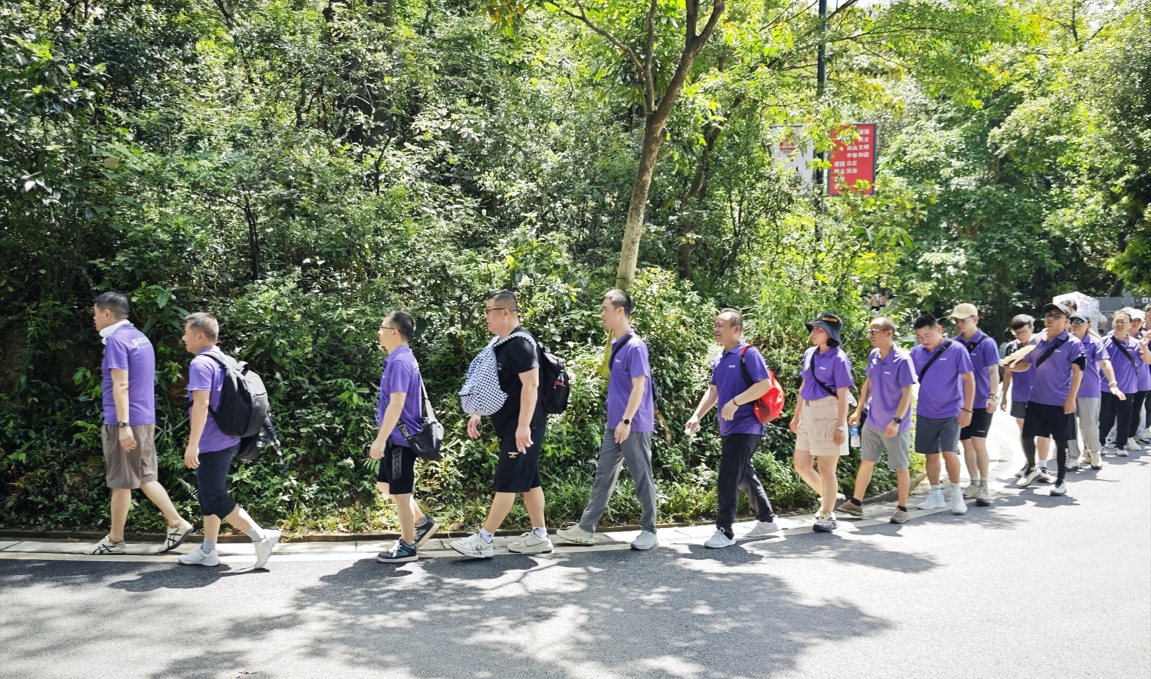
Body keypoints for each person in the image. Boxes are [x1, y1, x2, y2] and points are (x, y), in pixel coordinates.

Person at [87, 292, 193, 555]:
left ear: (107, 313)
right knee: (144, 477)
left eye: (95, 314)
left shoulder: (116, 341)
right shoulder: (139, 338)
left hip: (125, 421)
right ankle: (172, 524)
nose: (94, 319)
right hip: (143, 418)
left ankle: (117, 540)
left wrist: (123, 426)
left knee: (121, 481)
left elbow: (121, 385)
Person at [451, 291, 553, 558]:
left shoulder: (521, 344)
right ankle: (540, 536)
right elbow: (499, 385)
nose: (485, 316)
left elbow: (531, 385)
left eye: (488, 310)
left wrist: (523, 426)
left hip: (523, 427)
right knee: (530, 480)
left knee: (507, 480)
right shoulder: (501, 343)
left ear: (505, 313)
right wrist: (478, 412)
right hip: (512, 424)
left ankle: (484, 540)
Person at [557, 290, 659, 550]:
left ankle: (649, 531)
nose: (601, 313)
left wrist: (626, 421)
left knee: (642, 477)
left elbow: (639, 387)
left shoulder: (635, 346)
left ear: (620, 311)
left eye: (605, 309)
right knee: (604, 476)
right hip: (615, 423)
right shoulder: (617, 344)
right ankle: (586, 529)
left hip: (632, 424)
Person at [177, 313, 281, 568]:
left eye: (186, 333)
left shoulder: (200, 364)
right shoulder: (222, 358)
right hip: (229, 438)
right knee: (209, 495)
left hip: (212, 442)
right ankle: (208, 550)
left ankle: (261, 537)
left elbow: (201, 405)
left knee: (214, 498)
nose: (183, 338)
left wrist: (193, 444)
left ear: (200, 336)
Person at [685, 309, 779, 548]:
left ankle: (724, 531)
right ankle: (767, 521)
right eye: (715, 325)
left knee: (728, 477)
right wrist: (697, 415)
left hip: (747, 426)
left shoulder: (749, 354)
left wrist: (736, 402)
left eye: (721, 325)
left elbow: (765, 384)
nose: (716, 329)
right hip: (729, 428)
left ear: (736, 329)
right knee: (743, 474)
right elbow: (713, 391)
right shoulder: (720, 358)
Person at [369, 311, 439, 564]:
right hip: (396, 437)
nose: (379, 332)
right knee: (385, 485)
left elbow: (397, 405)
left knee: (400, 494)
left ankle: (408, 546)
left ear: (395, 332)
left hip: (400, 439)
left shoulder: (399, 362)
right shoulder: (400, 358)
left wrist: (380, 439)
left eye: (382, 327)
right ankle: (422, 523)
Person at [840, 317, 917, 523]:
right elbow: (869, 384)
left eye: (874, 331)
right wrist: (858, 411)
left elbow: (907, 393)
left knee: (900, 467)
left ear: (888, 333)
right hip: (873, 421)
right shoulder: (874, 355)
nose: (870, 335)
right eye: (870, 331)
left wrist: (896, 421)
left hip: (895, 425)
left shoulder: (903, 360)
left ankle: (902, 509)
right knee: (866, 461)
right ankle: (856, 504)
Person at [1007, 303, 1084, 495]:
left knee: (1061, 442)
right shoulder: (1035, 340)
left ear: (1066, 321)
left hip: (1060, 401)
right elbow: (1025, 364)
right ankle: (1032, 468)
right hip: (1036, 399)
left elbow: (1078, 372)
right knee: (1027, 435)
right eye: (1048, 314)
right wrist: (1011, 367)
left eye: (1057, 316)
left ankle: (1060, 481)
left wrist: (1071, 399)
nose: (1051, 318)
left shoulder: (1073, 343)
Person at [788, 312, 854, 532]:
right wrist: (797, 414)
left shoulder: (839, 358)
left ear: (830, 334)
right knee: (801, 465)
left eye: (819, 329)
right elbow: (804, 385)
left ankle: (828, 514)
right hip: (807, 412)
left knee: (826, 468)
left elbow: (843, 395)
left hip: (829, 413)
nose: (813, 332)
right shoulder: (809, 353)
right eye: (813, 328)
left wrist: (841, 425)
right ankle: (830, 497)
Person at [909, 314, 974, 515]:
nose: (924, 340)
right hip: (926, 410)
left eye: (927, 335)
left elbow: (969, 380)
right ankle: (935, 494)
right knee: (930, 455)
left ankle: (956, 493)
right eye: (920, 337)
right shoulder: (916, 352)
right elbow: (905, 379)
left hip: (951, 410)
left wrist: (967, 409)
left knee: (949, 452)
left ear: (938, 330)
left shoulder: (956, 349)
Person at [948, 304, 999, 501]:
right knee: (966, 443)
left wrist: (993, 396)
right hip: (960, 403)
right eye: (957, 320)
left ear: (975, 320)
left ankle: (984, 486)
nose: (960, 324)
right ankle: (974, 482)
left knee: (978, 442)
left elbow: (993, 371)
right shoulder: (954, 343)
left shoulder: (987, 343)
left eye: (964, 320)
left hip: (981, 401)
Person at [999, 315, 1053, 480]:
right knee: (1024, 430)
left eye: (1023, 332)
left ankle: (1043, 466)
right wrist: (1004, 395)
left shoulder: (1041, 345)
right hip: (1019, 394)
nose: (1020, 336)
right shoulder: (1011, 347)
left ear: (1032, 329)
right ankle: (1030, 464)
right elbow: (1007, 373)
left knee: (1043, 430)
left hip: (1041, 394)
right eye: (1017, 333)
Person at [1068, 310, 1123, 470]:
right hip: (1066, 390)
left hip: (1089, 389)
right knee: (1068, 425)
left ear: (1089, 325)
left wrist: (1113, 383)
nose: (1076, 325)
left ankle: (1094, 452)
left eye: (1080, 322)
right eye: (1073, 321)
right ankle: (1073, 456)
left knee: (1089, 424)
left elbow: (1105, 363)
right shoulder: (1064, 341)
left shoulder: (1094, 342)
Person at [1099, 310, 1147, 456]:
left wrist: (1144, 346)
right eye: (1117, 321)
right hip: (1105, 386)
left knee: (1125, 417)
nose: (1120, 324)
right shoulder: (1104, 341)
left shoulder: (1136, 343)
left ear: (1130, 324)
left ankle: (1120, 444)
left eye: (1123, 321)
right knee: (1104, 417)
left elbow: (1148, 360)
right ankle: (1100, 443)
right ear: (1112, 323)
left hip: (1127, 387)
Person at [1126, 309, 1150, 449]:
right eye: (1133, 320)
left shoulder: (1146, 336)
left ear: (1142, 323)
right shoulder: (1117, 336)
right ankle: (1116, 436)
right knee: (1119, 409)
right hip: (1124, 380)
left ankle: (1131, 437)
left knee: (1136, 409)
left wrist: (1145, 344)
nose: (1135, 323)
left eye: (1138, 321)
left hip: (1142, 379)